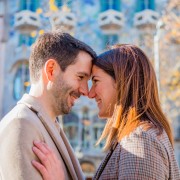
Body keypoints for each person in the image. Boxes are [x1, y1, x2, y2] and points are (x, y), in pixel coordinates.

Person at [32, 44, 180, 180]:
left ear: (122, 82)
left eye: (95, 81)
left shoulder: (140, 140)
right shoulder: (140, 137)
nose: (90, 93)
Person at [0, 31, 96, 180]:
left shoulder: (47, 123)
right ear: (51, 70)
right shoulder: (21, 124)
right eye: (80, 77)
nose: (85, 90)